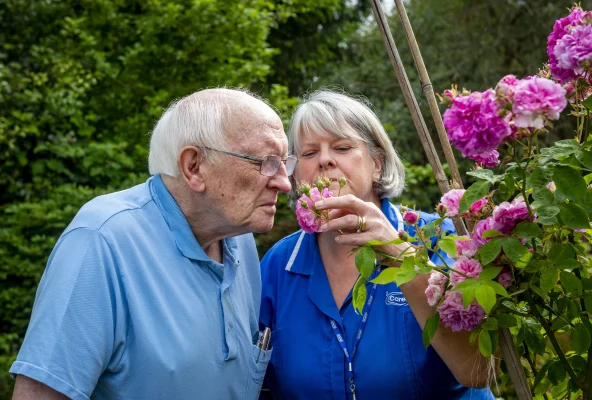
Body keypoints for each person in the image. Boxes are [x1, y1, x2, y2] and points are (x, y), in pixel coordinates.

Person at [10, 88, 295, 400]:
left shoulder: (239, 239)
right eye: (266, 162)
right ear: (194, 166)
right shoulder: (101, 240)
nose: (285, 183)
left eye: (284, 162)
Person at [259, 90, 495, 400]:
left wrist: (400, 255)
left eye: (342, 147)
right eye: (309, 153)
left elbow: (478, 371)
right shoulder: (279, 265)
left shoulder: (439, 237)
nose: (325, 160)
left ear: (377, 164)